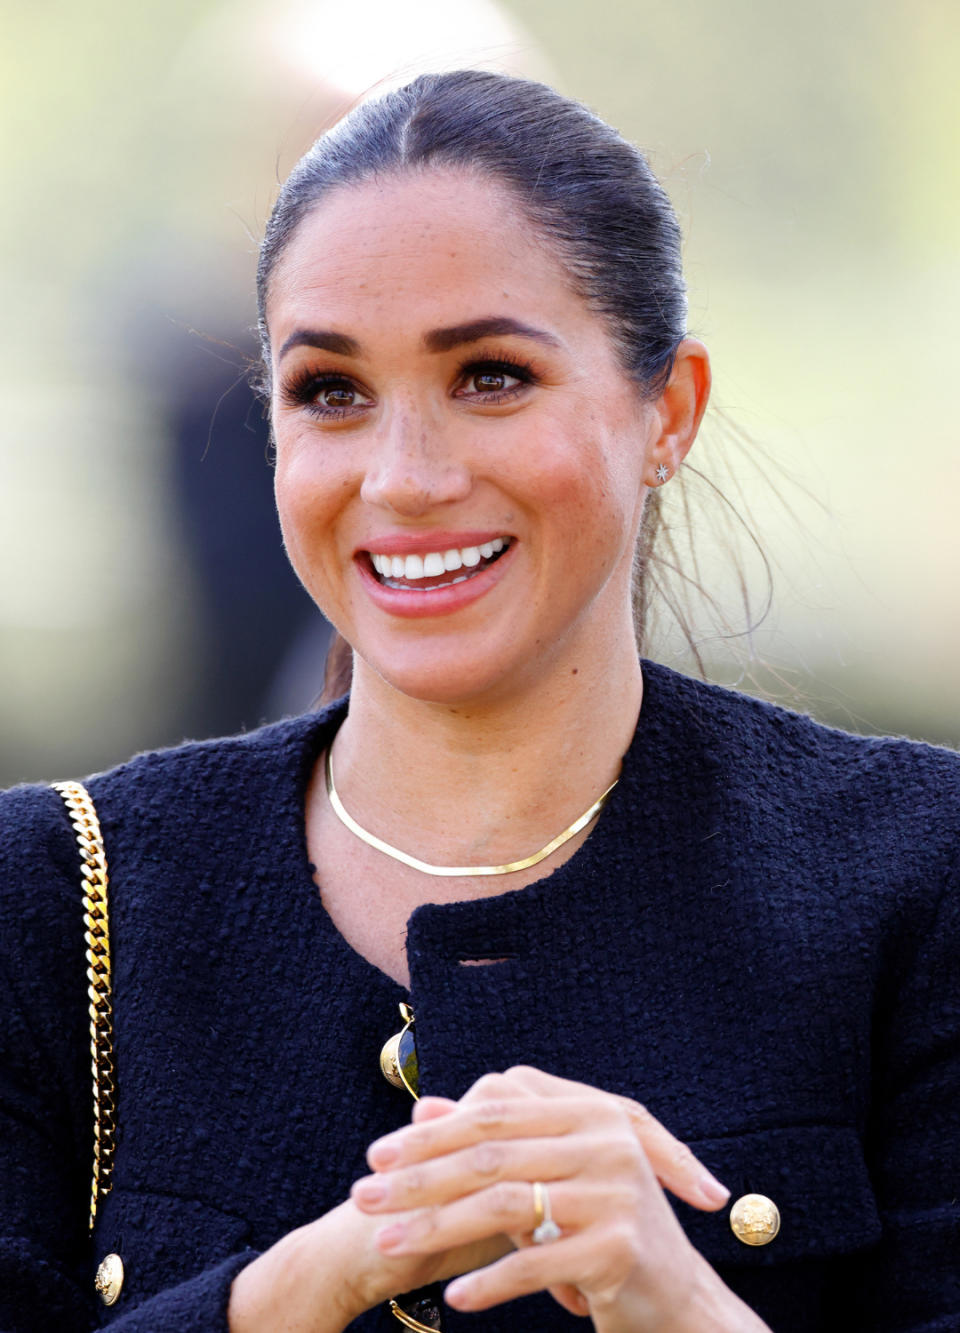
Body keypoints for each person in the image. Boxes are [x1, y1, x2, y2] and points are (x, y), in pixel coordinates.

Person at [1, 69, 957, 1333]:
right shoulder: (61, 893)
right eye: (330, 391)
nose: (403, 477)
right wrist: (302, 1284)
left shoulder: (915, 873)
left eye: (491, 376)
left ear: (667, 409)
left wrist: (681, 1303)